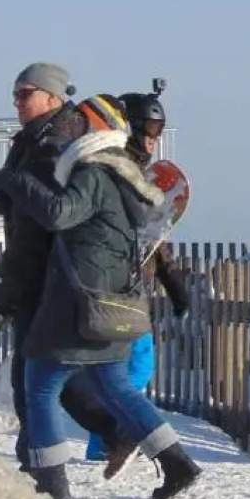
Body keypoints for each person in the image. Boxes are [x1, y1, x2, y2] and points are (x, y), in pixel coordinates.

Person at [0, 93, 201, 499]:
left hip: (78, 302)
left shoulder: (93, 171)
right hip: (115, 306)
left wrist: (14, 181)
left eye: (79, 121)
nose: (70, 128)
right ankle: (177, 463)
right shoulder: (126, 177)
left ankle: (50, 487)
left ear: (97, 129)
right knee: (116, 388)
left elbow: (58, 213)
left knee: (39, 387)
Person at [0, 63, 130, 476]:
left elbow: (40, 228)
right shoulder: (38, 139)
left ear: (51, 97)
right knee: (54, 377)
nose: (16, 102)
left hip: (47, 280)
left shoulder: (54, 144)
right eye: (14, 94)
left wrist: (9, 287)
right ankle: (119, 433)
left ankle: (41, 474)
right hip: (47, 278)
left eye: (24, 93)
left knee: (32, 381)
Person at [83, 85, 190, 466]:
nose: (151, 140)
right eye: (145, 130)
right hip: (112, 285)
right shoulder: (113, 171)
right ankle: (111, 441)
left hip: (132, 287)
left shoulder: (138, 173)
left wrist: (173, 284)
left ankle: (106, 443)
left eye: (157, 131)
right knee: (128, 368)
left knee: (122, 370)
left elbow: (154, 236)